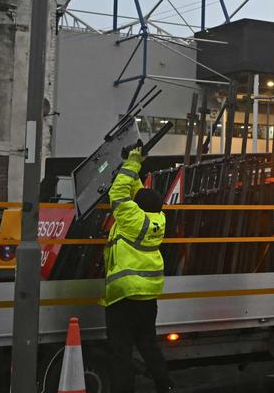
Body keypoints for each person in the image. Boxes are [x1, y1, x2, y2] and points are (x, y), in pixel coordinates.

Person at [101, 147, 172, 393]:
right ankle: (165, 386)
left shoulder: (131, 218)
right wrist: (136, 165)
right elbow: (137, 192)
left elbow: (118, 192)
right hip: (147, 297)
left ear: (137, 207)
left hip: (123, 296)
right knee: (148, 344)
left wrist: (130, 162)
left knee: (120, 350)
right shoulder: (157, 219)